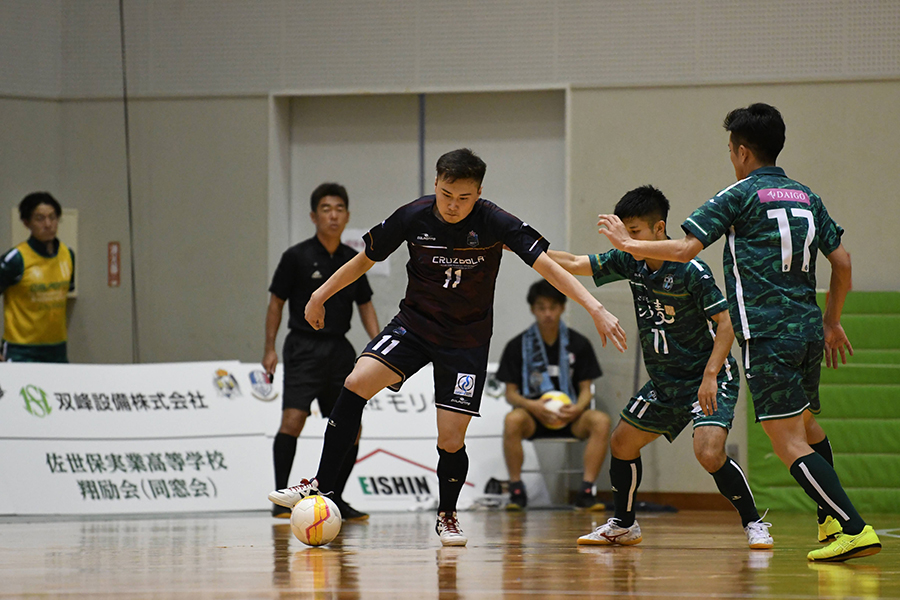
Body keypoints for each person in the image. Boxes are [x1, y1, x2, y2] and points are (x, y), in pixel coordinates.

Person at [269, 148, 627, 546]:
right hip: (414, 325)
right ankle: (320, 484)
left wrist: (595, 308)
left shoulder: (495, 222)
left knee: (451, 439)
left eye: (464, 198)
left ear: (479, 193)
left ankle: (448, 515)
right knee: (355, 382)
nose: (453, 205)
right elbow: (363, 261)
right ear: (436, 183)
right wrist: (319, 295)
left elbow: (550, 267)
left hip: (465, 341)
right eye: (446, 194)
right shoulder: (413, 216)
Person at [596, 104, 880, 562]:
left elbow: (686, 248)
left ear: (743, 151)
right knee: (806, 425)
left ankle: (853, 527)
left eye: (731, 150)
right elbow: (842, 262)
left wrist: (627, 243)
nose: (731, 157)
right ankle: (829, 520)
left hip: (768, 334)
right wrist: (832, 320)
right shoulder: (806, 195)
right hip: (809, 330)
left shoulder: (739, 194)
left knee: (787, 441)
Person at [550, 185, 772, 549]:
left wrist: (710, 375)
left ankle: (754, 523)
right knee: (622, 441)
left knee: (709, 453)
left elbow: (726, 322)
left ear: (659, 228)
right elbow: (574, 263)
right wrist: (521, 246)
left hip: (708, 377)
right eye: (623, 233)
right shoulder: (631, 260)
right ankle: (624, 525)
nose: (625, 241)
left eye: (633, 232)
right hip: (666, 381)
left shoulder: (690, 269)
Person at [263, 183, 380, 520]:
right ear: (314, 216)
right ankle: (281, 500)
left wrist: (378, 345)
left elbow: (365, 304)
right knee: (293, 420)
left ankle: (334, 498)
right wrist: (269, 348)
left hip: (339, 349)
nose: (333, 215)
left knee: (351, 427)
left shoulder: (353, 260)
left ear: (348, 216)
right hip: (302, 347)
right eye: (326, 209)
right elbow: (275, 303)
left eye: (339, 209)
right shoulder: (296, 256)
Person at [496, 278, 610, 511]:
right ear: (532, 309)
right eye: (541, 308)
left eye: (553, 307)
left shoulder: (578, 343)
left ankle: (586, 491)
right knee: (512, 420)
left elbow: (586, 390)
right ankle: (516, 490)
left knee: (601, 421)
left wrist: (577, 409)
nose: (547, 313)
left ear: (562, 308)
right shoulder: (517, 345)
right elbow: (510, 394)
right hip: (534, 417)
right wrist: (533, 406)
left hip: (571, 416)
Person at [0, 192, 74, 363]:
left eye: (52, 217)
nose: (48, 224)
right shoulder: (16, 259)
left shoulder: (68, 255)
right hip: (21, 351)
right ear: (27, 223)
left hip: (57, 349)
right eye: (40, 219)